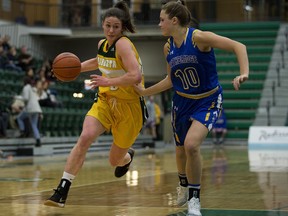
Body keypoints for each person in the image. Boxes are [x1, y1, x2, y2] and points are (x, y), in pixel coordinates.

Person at [134, 1, 249, 215]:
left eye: (162, 20)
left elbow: (238, 46)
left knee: (191, 146)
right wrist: (144, 92)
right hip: (182, 101)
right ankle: (183, 185)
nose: (159, 24)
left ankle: (194, 200)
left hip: (207, 99)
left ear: (174, 21)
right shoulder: (168, 47)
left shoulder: (198, 38)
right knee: (180, 150)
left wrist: (243, 72)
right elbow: (170, 80)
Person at [44, 1, 147, 208]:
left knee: (114, 160)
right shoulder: (103, 45)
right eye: (108, 25)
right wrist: (71, 69)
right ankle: (62, 190)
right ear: (102, 24)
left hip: (130, 107)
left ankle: (127, 157)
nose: (111, 30)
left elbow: (135, 75)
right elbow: (99, 61)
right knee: (85, 137)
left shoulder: (124, 44)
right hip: (106, 101)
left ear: (122, 27)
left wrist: (108, 81)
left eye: (115, 27)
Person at [17, 77, 42, 147]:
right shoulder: (33, 88)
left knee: (19, 118)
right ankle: (38, 140)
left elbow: (26, 98)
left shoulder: (26, 87)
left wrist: (18, 97)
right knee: (34, 124)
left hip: (30, 108)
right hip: (37, 108)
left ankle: (22, 131)